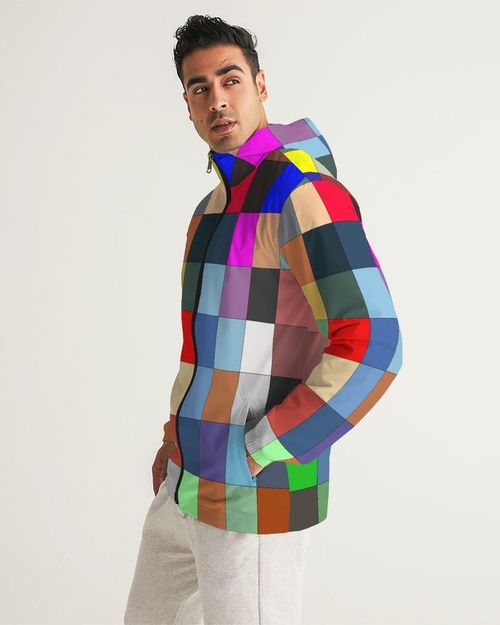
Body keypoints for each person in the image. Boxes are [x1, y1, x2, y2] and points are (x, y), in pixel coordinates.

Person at [124, 14, 402, 625]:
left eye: (230, 80)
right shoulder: (210, 210)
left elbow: (374, 343)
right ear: (187, 106)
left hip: (254, 495)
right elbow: (211, 347)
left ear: (261, 84)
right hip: (184, 482)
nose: (217, 100)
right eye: (199, 88)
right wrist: (175, 434)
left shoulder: (303, 194)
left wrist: (262, 448)